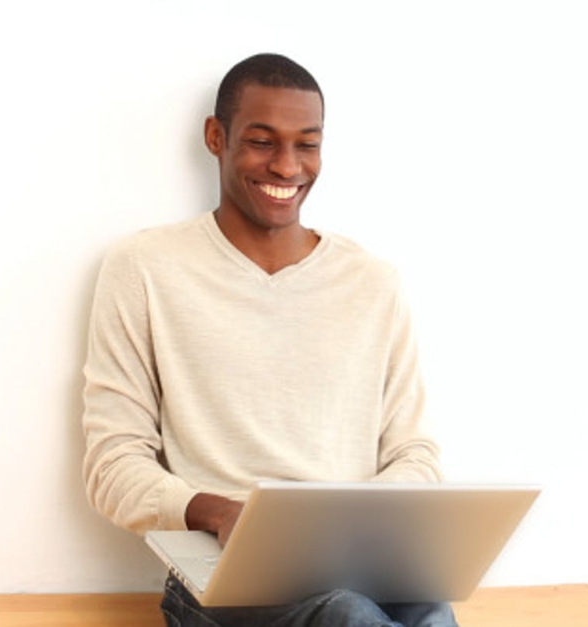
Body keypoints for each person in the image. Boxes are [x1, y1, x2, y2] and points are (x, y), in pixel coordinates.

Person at [82, 53, 459, 627]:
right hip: (221, 579)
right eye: (262, 142)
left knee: (426, 605)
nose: (286, 166)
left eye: (307, 145)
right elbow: (112, 466)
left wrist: (350, 526)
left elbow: (416, 455)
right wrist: (222, 514)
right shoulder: (144, 267)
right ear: (216, 137)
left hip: (353, 561)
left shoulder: (373, 282)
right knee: (348, 614)